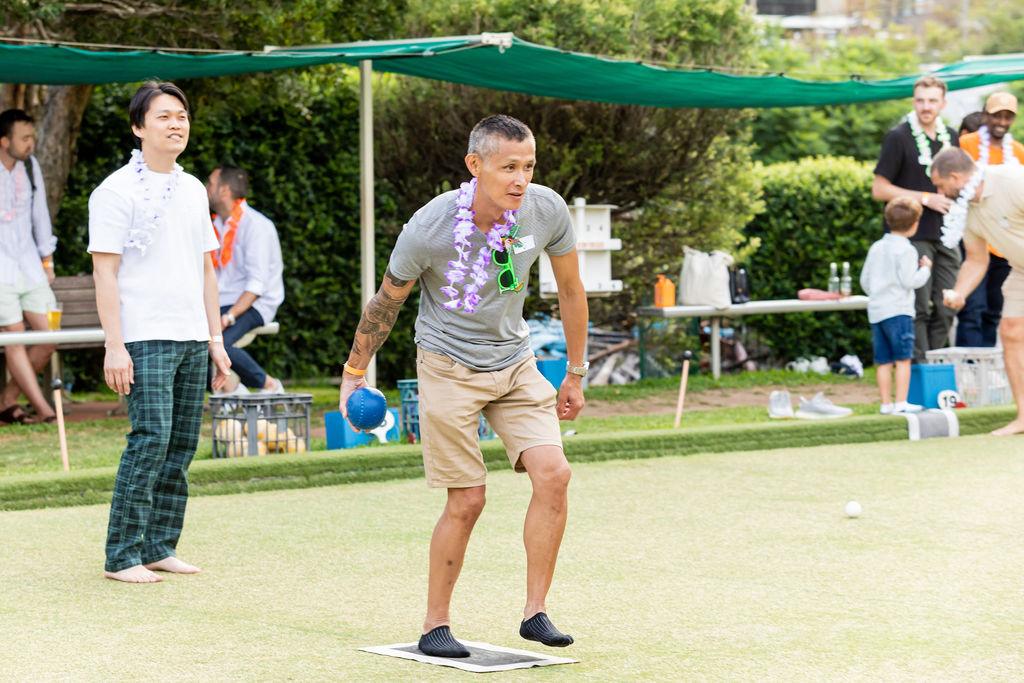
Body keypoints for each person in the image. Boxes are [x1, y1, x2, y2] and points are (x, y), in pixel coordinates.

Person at [338, 115, 588, 657]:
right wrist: (353, 373)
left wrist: (575, 370)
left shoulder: (545, 209)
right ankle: (435, 625)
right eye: (508, 167)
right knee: (469, 499)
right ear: (475, 165)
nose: (520, 179)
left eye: (528, 166)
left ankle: (536, 612)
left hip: (515, 360)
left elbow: (571, 289)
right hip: (448, 364)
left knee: (555, 474)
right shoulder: (428, 228)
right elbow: (387, 303)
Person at [88, 82, 231, 583]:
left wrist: (215, 341)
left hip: (192, 336)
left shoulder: (193, 189)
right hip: (143, 336)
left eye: (182, 116)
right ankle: (122, 555)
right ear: (138, 127)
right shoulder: (114, 191)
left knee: (181, 445)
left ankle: (159, 546)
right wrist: (114, 345)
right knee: (150, 440)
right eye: (164, 116)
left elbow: (206, 269)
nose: (176, 124)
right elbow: (104, 272)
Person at [931, 147, 1024, 435]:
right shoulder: (967, 210)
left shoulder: (1012, 181)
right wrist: (960, 292)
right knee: (1010, 331)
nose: (939, 193)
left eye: (940, 185)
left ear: (955, 177)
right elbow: (976, 259)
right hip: (1021, 269)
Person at [872, 76, 961, 363]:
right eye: (920, 100)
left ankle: (935, 363)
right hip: (912, 235)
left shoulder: (951, 137)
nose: (926, 107)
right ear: (913, 102)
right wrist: (925, 198)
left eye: (932, 100)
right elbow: (879, 189)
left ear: (943, 103)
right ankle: (921, 370)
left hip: (947, 233)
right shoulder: (898, 137)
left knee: (948, 305)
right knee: (919, 307)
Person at [0, 108, 58, 425]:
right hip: (1, 271)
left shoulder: (31, 167)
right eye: (24, 138)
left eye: (31, 137)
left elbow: (41, 215)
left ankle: (7, 400)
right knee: (15, 336)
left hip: (30, 266)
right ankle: (47, 413)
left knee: (50, 337)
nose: (30, 143)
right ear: (4, 140)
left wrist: (47, 260)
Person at [206, 164, 285, 395]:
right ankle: (232, 390)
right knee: (190, 339)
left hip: (256, 303)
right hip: (223, 302)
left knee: (220, 342)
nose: (205, 188)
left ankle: (269, 385)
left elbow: (256, 286)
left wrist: (229, 316)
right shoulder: (215, 225)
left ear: (224, 190)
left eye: (210, 184)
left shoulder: (256, 226)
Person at [953, 93, 1024, 347]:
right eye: (996, 116)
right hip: (976, 237)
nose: (1001, 122)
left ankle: (988, 367)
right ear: (985, 116)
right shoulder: (967, 144)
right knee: (972, 309)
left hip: (1004, 245)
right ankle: (968, 366)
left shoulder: (1018, 152)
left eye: (1007, 117)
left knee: (994, 310)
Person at [860, 197, 932, 414]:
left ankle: (886, 404)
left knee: (883, 361)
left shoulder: (876, 247)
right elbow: (911, 281)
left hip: (877, 311)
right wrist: (925, 269)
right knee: (903, 359)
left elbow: (865, 281)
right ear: (915, 225)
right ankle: (901, 402)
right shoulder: (907, 250)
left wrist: (877, 293)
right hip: (899, 311)